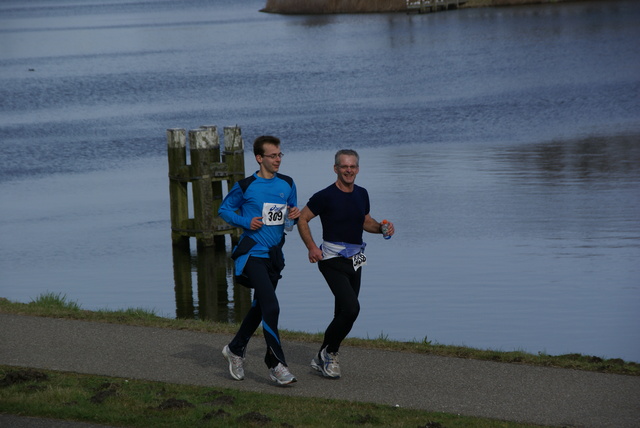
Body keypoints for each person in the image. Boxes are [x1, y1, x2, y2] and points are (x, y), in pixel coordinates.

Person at [297, 149, 394, 378]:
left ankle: (322, 355)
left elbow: (365, 222)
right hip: (331, 259)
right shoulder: (325, 196)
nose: (349, 170)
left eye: (352, 167)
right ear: (336, 169)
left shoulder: (362, 194)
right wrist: (311, 247)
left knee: (343, 312)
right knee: (352, 309)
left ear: (357, 169)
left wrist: (381, 228)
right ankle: (330, 353)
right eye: (344, 167)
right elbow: (302, 218)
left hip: (357, 259)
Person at [218, 135, 300, 385]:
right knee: (272, 307)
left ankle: (235, 349)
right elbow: (224, 210)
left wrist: (294, 216)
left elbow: (290, 217)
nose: (277, 159)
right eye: (273, 155)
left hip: (274, 256)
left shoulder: (287, 183)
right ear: (259, 158)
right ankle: (276, 364)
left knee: (259, 308)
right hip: (251, 254)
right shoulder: (245, 186)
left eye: (279, 155)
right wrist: (246, 222)